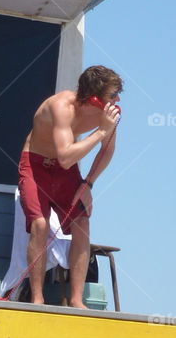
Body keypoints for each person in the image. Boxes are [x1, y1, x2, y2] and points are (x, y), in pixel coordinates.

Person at [18, 65, 122, 308]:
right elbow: (66, 155)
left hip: (65, 172)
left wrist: (88, 183)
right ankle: (37, 298)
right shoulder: (61, 106)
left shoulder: (107, 114)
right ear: (94, 97)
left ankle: (76, 299)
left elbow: (108, 151)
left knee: (82, 222)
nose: (117, 100)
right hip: (35, 164)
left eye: (118, 94)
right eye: (112, 95)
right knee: (40, 225)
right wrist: (100, 132)